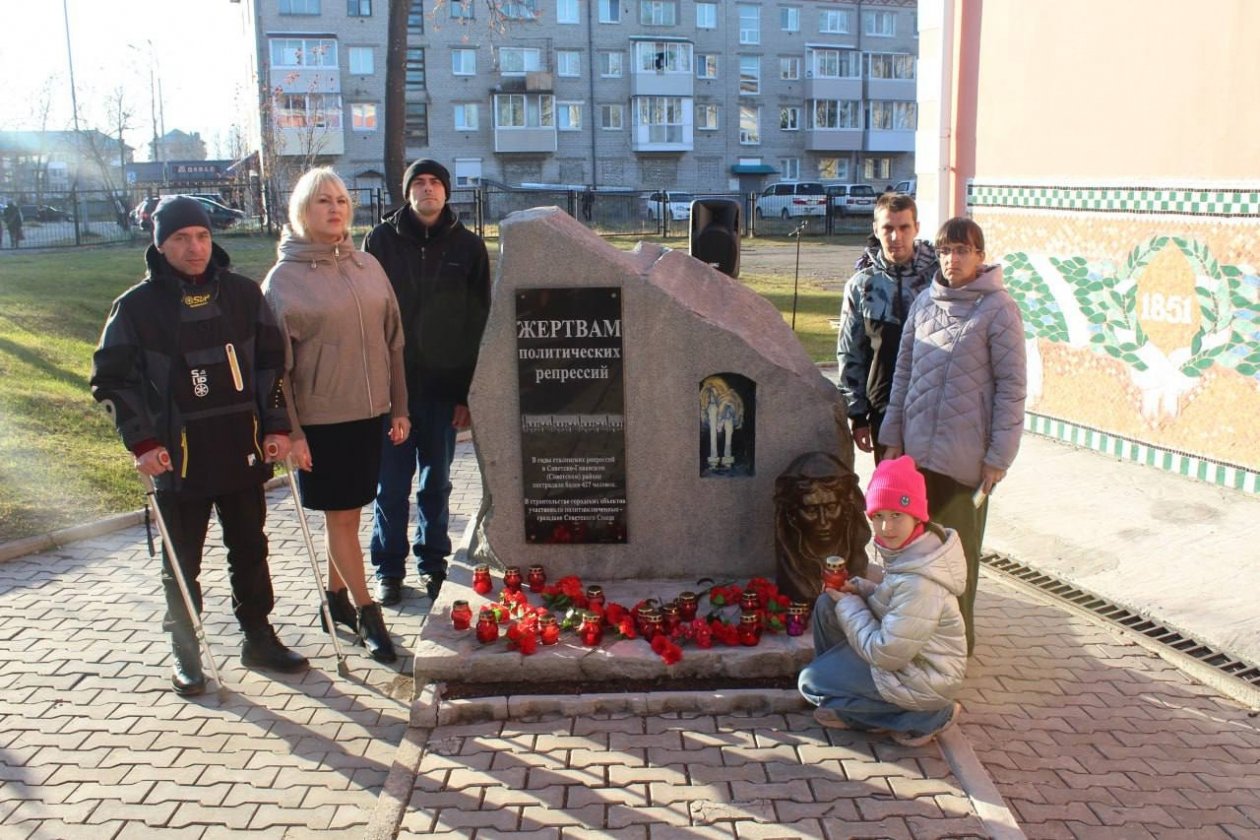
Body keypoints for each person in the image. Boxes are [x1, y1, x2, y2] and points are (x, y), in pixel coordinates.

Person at [90, 196, 308, 696]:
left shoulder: (243, 294)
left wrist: (277, 426)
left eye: (203, 236)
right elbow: (111, 381)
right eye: (182, 239)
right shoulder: (135, 309)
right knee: (182, 560)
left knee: (250, 548)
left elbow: (272, 367)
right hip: (178, 455)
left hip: (241, 446)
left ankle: (257, 635)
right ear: (160, 244)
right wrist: (141, 441)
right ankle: (185, 649)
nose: (195, 247)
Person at [262, 167, 410, 662]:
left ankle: (334, 601)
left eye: (342, 200)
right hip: (322, 423)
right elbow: (277, 369)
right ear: (302, 210)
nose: (335, 208)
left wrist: (399, 407)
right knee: (342, 520)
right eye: (323, 200)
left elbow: (394, 341)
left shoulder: (367, 265)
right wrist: (294, 433)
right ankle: (369, 614)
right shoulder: (282, 281)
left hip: (369, 415)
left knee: (345, 517)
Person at [879, 217, 1027, 655]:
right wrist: (893, 440)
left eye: (962, 250)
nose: (952, 259)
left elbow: (1012, 388)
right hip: (917, 459)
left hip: (965, 462)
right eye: (945, 250)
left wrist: (999, 456)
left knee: (957, 560)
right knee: (913, 554)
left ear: (980, 256)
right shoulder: (926, 302)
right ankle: (916, 641)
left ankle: (956, 647)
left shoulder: (998, 310)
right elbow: (903, 374)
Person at [364, 159, 491, 605]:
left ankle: (433, 563)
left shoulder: (469, 248)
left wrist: (466, 394)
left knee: (435, 483)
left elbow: (480, 324)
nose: (427, 189)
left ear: (447, 191)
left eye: (435, 182)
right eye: (418, 182)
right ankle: (388, 569)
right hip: (390, 391)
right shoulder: (380, 241)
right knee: (392, 486)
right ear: (407, 192)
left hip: (443, 392)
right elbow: (366, 314)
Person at [798, 455, 967, 746]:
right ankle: (851, 700)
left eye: (896, 515)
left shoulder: (921, 581)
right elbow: (893, 604)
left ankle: (925, 717)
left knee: (812, 683)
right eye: (878, 516)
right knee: (828, 606)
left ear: (917, 516)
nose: (886, 527)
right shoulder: (912, 552)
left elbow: (886, 652)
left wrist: (850, 604)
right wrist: (861, 590)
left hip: (925, 677)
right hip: (907, 661)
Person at [836, 193, 937, 463]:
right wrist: (857, 416)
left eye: (904, 227)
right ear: (876, 230)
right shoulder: (861, 286)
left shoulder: (939, 279)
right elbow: (850, 353)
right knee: (894, 499)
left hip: (935, 409)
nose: (896, 237)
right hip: (885, 411)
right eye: (888, 228)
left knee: (933, 501)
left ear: (917, 227)